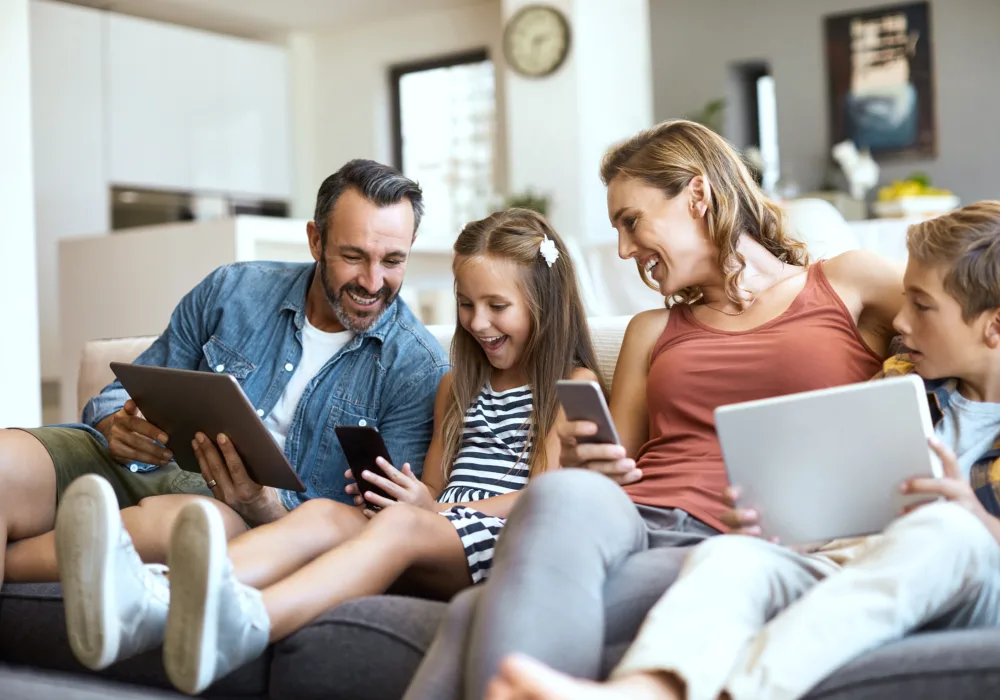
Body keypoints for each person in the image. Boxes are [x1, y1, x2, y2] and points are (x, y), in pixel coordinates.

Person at [402, 120, 904, 700]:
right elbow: (619, 465)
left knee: (473, 612)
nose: (623, 249)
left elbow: (966, 315)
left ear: (697, 196)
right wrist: (588, 464)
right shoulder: (652, 330)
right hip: (631, 519)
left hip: (733, 535)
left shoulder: (848, 283)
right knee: (562, 492)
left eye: (631, 222)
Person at [55, 208, 604, 695]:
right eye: (466, 304)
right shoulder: (455, 387)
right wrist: (413, 496)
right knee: (326, 513)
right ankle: (158, 596)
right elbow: (433, 487)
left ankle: (247, 624)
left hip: (497, 541)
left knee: (398, 527)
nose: (477, 322)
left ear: (545, 304)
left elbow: (548, 499)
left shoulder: (570, 385)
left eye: (497, 306)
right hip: (433, 533)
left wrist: (430, 513)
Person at [481, 201, 1000, 700]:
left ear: (993, 326)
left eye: (922, 306)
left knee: (948, 530)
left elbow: (964, 538)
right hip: (846, 562)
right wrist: (786, 525)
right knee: (733, 554)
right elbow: (846, 500)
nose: (901, 321)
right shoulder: (903, 385)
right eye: (905, 299)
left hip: (968, 576)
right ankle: (645, 690)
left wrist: (977, 519)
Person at [0, 158, 448, 588]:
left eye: (393, 261)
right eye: (353, 256)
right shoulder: (233, 290)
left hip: (239, 522)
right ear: (316, 241)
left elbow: (378, 535)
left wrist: (264, 507)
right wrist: (117, 424)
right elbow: (120, 393)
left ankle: (15, 566)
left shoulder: (417, 369)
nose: (372, 282)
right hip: (139, 469)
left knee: (186, 524)